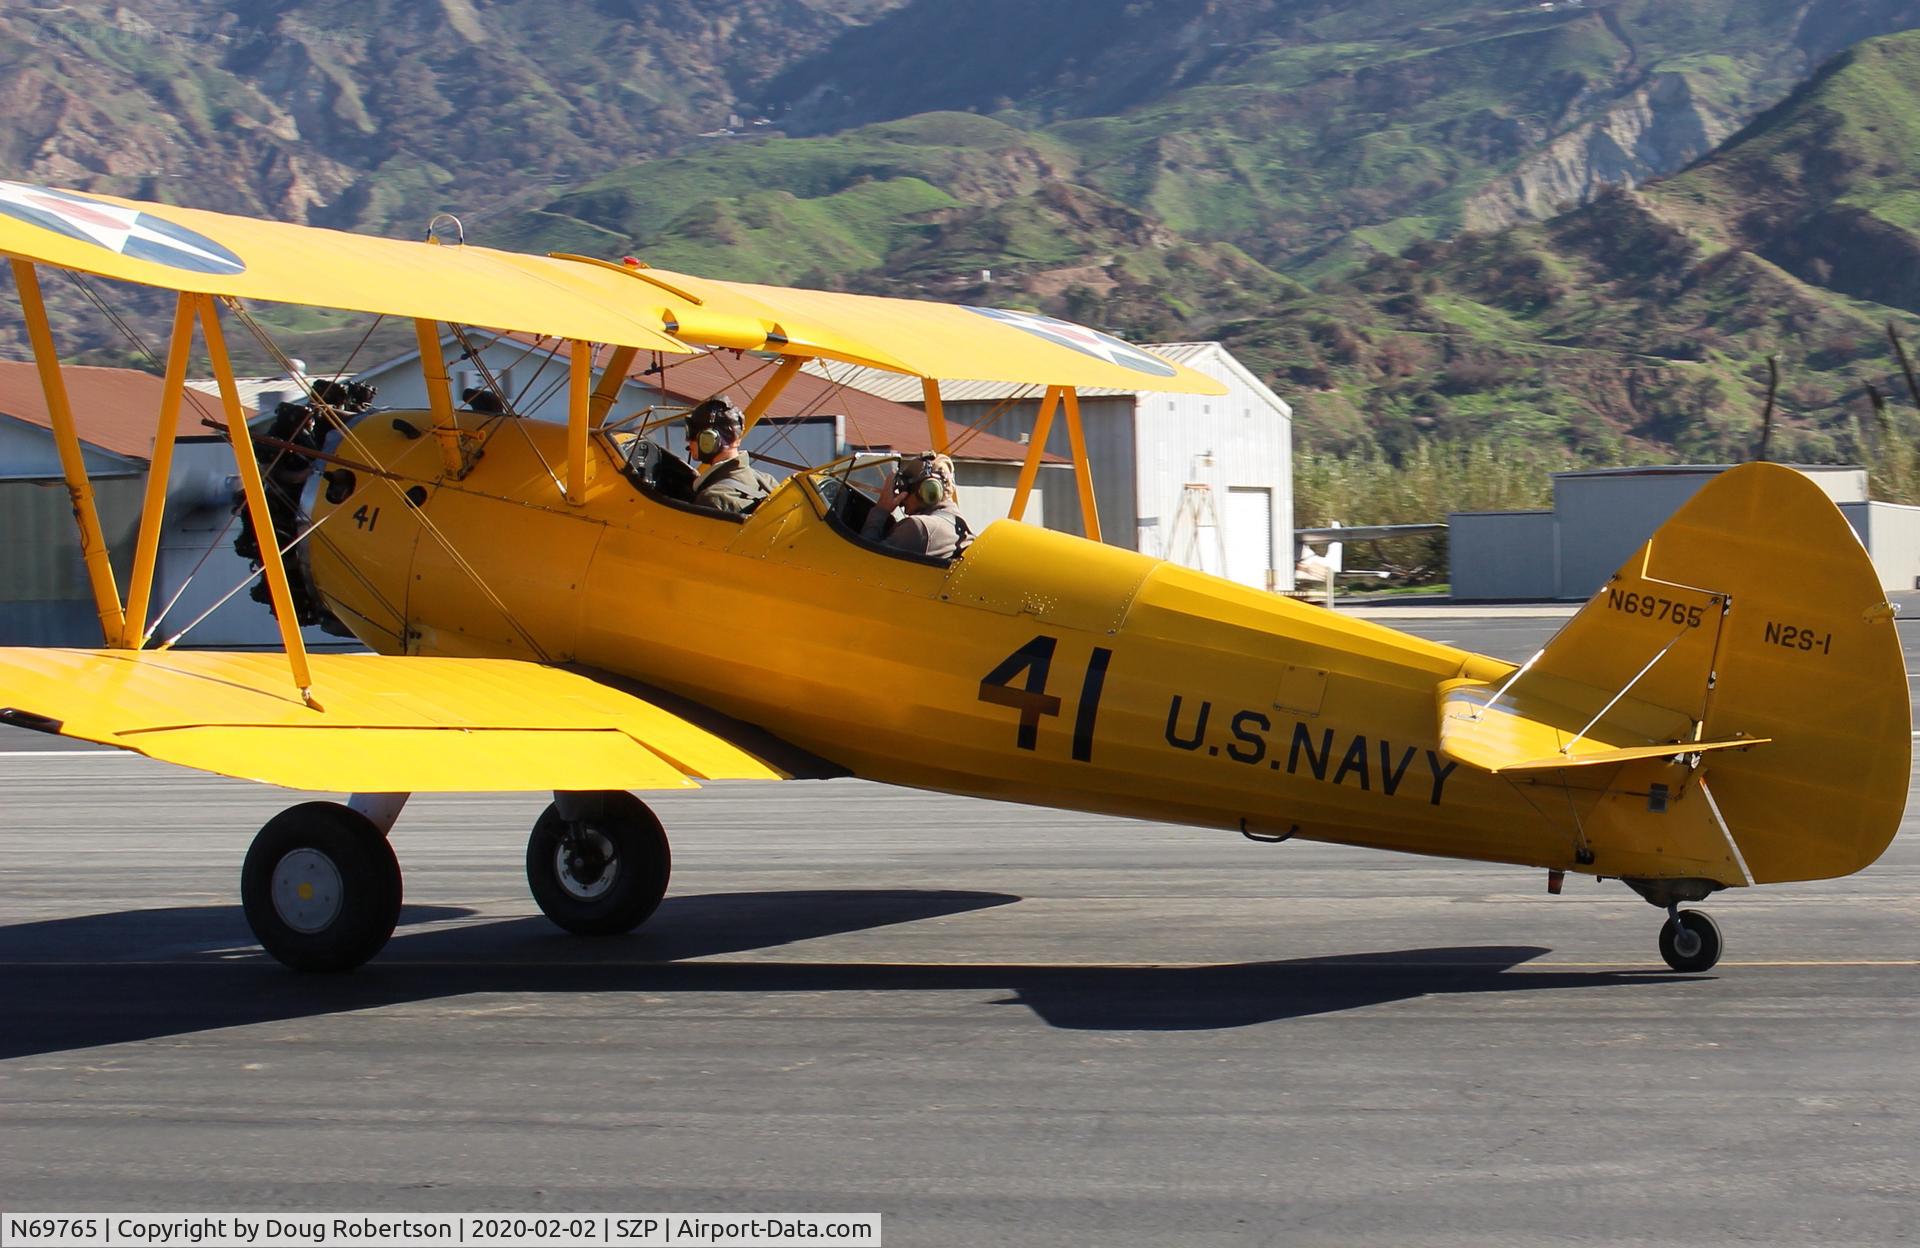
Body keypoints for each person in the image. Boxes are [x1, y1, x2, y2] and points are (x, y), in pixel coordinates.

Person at [861, 452, 972, 559]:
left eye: (905, 488)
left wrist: (881, 510)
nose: (901, 497)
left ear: (926, 491)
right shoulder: (958, 525)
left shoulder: (918, 527)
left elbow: (865, 561)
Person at [684, 396, 777, 514]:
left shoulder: (713, 500)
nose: (688, 441)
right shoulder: (768, 482)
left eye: (691, 433)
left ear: (709, 439)